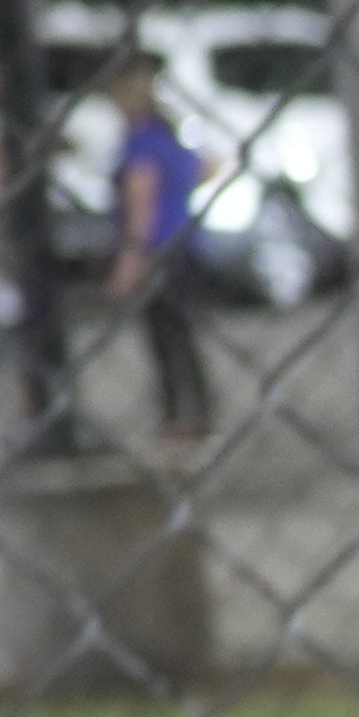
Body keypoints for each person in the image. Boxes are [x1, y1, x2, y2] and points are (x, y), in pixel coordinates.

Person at [96, 46, 209, 456]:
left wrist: (129, 261)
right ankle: (198, 413)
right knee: (183, 337)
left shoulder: (139, 141)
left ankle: (176, 420)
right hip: (186, 247)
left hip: (157, 251)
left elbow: (139, 203)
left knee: (163, 340)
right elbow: (207, 166)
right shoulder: (170, 134)